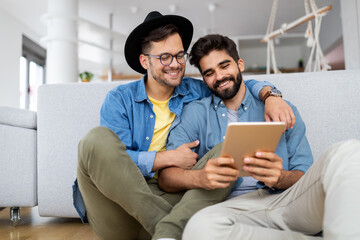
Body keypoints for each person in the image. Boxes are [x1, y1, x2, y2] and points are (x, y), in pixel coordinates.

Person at [73, 12, 296, 240]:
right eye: (165, 57)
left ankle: (167, 233)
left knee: (224, 154)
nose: (175, 65)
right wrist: (164, 158)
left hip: (175, 199)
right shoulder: (119, 99)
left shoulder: (194, 90)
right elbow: (111, 162)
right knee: (95, 140)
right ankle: (169, 229)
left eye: (180, 55)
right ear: (144, 61)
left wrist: (271, 95)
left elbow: (233, 81)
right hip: (119, 208)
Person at [164, 34, 360, 239]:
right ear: (204, 79)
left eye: (224, 66)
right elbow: (167, 178)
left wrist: (280, 177)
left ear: (240, 64)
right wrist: (201, 177)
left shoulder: (280, 108)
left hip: (287, 201)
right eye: (209, 73)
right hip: (231, 208)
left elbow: (304, 175)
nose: (219, 77)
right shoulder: (195, 113)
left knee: (348, 152)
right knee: (200, 228)